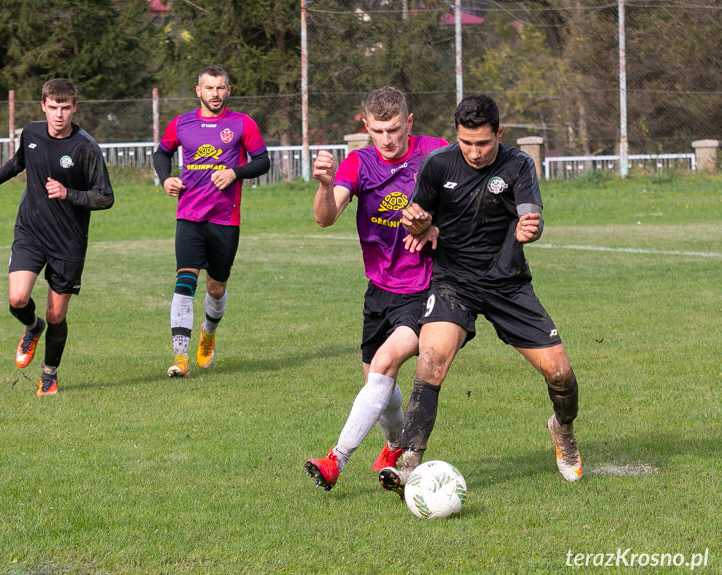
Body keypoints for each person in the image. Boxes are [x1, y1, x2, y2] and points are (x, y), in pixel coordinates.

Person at [378, 93, 582, 497]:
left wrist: (530, 228)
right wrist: (416, 223)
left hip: (508, 284)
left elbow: (531, 216)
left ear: (499, 133)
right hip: (454, 283)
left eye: (483, 143)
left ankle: (562, 428)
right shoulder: (437, 165)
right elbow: (417, 221)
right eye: (466, 142)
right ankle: (409, 463)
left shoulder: (519, 164)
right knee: (430, 362)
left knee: (560, 374)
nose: (473, 151)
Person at [304, 86, 449, 491]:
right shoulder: (359, 163)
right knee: (378, 385)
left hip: (423, 290)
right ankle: (395, 444)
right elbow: (325, 218)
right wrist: (324, 185)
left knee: (385, 365)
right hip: (378, 291)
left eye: (395, 130)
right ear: (365, 125)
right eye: (379, 130)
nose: (387, 139)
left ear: (410, 123)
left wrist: (438, 228)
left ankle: (335, 460)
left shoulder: (435, 153)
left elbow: (468, 195)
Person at [0, 78, 114, 397]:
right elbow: (19, 162)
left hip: (68, 241)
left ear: (74, 108)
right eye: (53, 108)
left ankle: (49, 376)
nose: (59, 115)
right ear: (43, 106)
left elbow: (105, 197)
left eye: (65, 108)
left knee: (56, 314)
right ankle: (32, 327)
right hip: (31, 231)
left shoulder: (86, 147)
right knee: (17, 299)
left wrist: (69, 194)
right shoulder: (32, 132)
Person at [153, 65, 270, 378]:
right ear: (198, 91)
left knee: (216, 288)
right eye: (209, 88)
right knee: (184, 281)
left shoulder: (242, 124)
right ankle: (180, 357)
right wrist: (166, 180)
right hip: (188, 215)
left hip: (225, 219)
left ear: (228, 90)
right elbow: (161, 154)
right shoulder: (181, 124)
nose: (215, 94)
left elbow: (263, 161)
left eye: (220, 88)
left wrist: (235, 172)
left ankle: (208, 333)